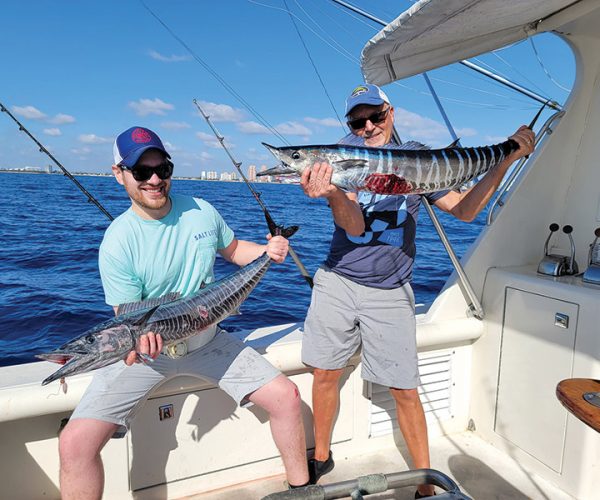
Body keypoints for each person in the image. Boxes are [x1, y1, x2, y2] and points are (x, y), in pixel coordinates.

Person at [300, 84, 535, 497]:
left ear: (389, 112)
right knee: (325, 373)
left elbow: (464, 212)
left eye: (374, 116)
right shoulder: (341, 156)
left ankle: (425, 483)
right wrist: (335, 190)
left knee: (405, 388)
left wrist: (506, 158)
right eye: (357, 120)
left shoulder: (420, 156)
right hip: (338, 279)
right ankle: (322, 455)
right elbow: (352, 226)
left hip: (390, 289)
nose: (367, 126)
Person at [58, 126, 309, 499]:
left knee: (286, 397)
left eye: (163, 169)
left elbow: (235, 249)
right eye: (142, 172)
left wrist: (268, 251)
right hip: (146, 356)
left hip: (209, 340)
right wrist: (138, 346)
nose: (155, 179)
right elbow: (125, 320)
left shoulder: (201, 210)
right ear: (119, 173)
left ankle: (301, 490)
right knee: (74, 444)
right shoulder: (117, 241)